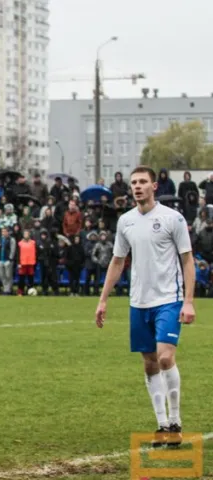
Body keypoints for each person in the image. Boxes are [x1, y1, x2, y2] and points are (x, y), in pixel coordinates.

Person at [95, 165, 195, 448]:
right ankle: (162, 424)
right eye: (134, 182)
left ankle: (175, 421)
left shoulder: (172, 219)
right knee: (149, 362)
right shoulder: (125, 221)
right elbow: (117, 261)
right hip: (139, 302)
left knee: (165, 358)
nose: (137, 186)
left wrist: (188, 301)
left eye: (142, 182)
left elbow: (187, 260)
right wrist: (103, 300)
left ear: (154, 186)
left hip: (169, 299)